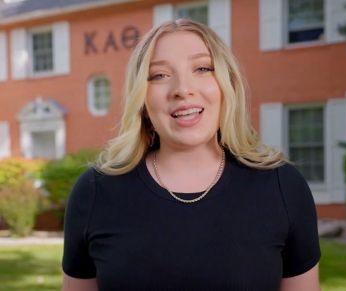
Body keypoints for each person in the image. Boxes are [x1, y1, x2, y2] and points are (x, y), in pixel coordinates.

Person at [62, 19, 321, 291]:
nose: (183, 89)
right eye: (159, 75)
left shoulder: (283, 187)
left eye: (202, 68)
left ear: (226, 85)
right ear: (142, 100)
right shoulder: (94, 193)